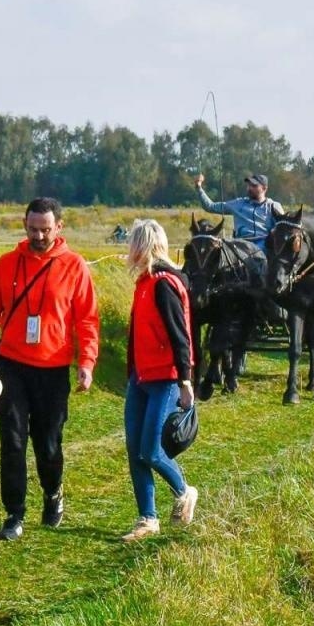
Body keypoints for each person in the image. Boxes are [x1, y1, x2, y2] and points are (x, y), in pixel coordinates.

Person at [0, 197, 99, 541]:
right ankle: (14, 514)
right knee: (12, 440)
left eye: (45, 229)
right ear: (24, 225)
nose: (38, 236)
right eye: (32, 229)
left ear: (59, 228)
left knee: (48, 443)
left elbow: (87, 320)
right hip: (11, 365)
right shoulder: (6, 264)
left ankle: (53, 493)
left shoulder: (75, 266)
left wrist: (86, 362)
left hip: (53, 369)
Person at [120, 219, 198, 542]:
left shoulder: (163, 284)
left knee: (151, 450)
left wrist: (185, 380)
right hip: (140, 378)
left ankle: (184, 490)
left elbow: (181, 336)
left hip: (165, 378)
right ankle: (147, 518)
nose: (129, 252)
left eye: (133, 245)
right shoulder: (144, 283)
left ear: (142, 246)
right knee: (134, 449)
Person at [196, 172, 285, 242]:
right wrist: (199, 187)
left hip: (264, 243)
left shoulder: (273, 206)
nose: (250, 188)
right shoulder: (238, 204)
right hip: (240, 245)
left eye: (254, 186)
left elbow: (283, 229)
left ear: (264, 188)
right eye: (249, 185)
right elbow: (210, 206)